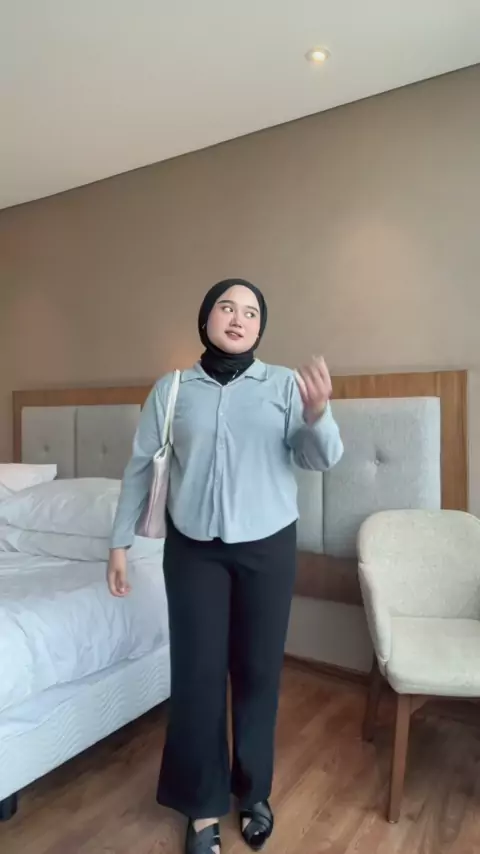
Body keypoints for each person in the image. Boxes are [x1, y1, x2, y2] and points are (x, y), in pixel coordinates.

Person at [107, 279, 344, 854]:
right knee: (198, 677)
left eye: (251, 312)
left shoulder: (283, 385)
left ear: (260, 327)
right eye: (226, 308)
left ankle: (254, 791)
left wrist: (318, 414)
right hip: (193, 550)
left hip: (268, 547)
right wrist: (118, 543)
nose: (238, 319)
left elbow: (321, 458)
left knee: (258, 672)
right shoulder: (171, 390)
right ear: (206, 319)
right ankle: (201, 808)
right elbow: (140, 468)